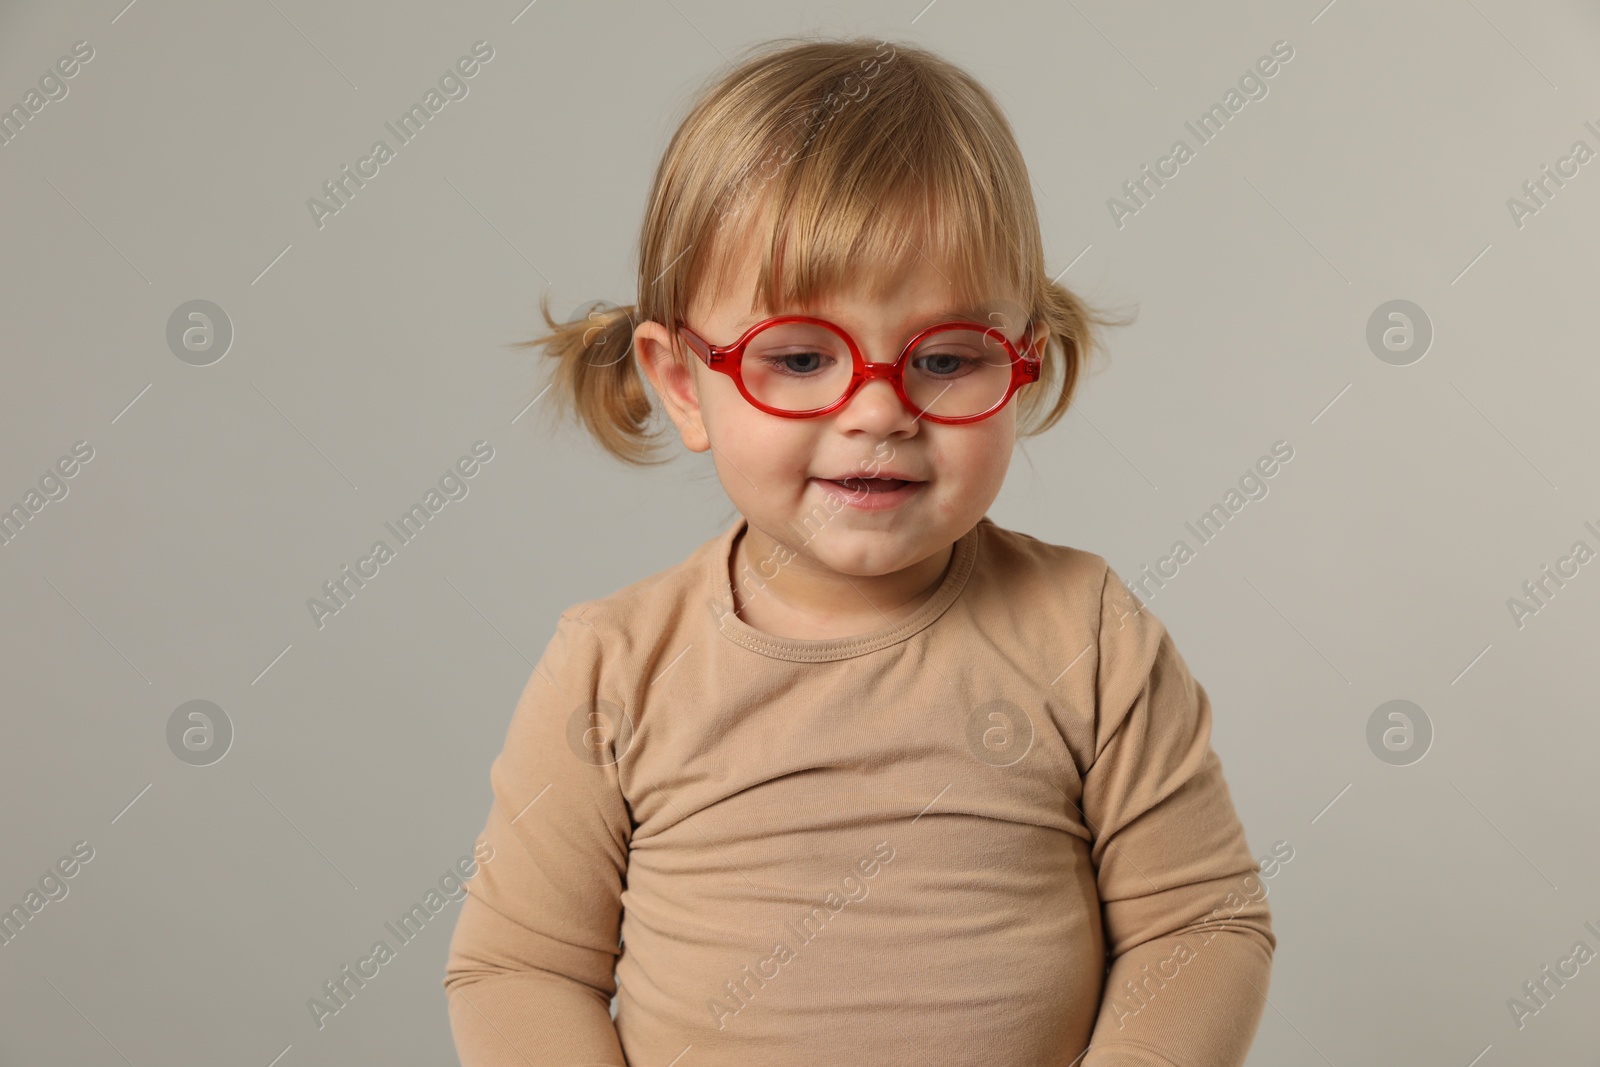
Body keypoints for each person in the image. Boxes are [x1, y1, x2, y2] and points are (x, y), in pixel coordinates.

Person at [443, 34, 1274, 1067]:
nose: (878, 409)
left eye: (942, 357)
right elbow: (521, 969)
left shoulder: (1084, 631)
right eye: (796, 356)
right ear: (678, 381)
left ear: (1023, 366)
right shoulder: (614, 663)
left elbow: (1198, 925)